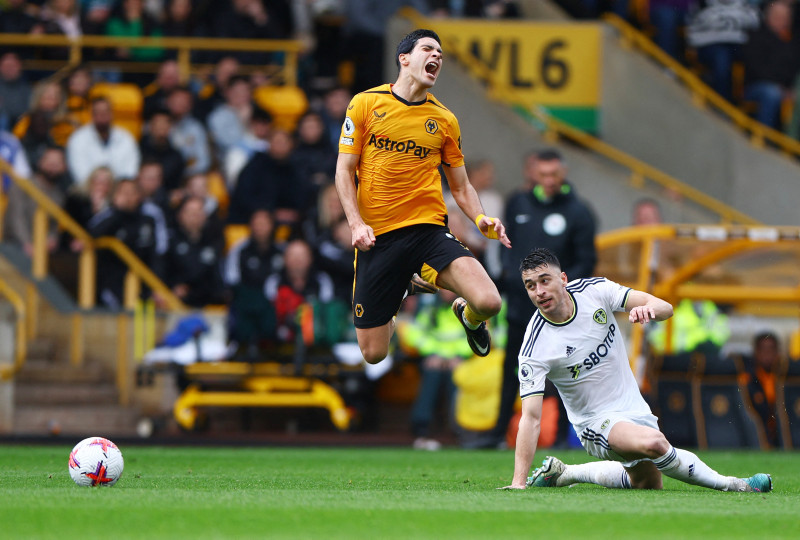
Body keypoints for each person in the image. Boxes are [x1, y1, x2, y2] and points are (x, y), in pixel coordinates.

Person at [502, 248, 772, 493]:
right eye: (530, 286)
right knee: (655, 443)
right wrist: (518, 482)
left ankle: (565, 473)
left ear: (562, 278)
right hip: (595, 423)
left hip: (634, 408)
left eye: (544, 281)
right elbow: (531, 418)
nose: (539, 291)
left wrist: (648, 311)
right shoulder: (535, 344)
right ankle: (736, 485)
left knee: (646, 484)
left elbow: (665, 307)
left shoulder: (595, 290)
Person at [335, 29, 511, 366]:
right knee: (374, 353)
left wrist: (480, 218)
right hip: (378, 238)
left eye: (440, 54)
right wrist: (356, 224)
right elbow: (343, 172)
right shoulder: (366, 103)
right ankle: (402, 287)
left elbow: (460, 186)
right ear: (404, 58)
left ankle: (467, 315)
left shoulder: (444, 120)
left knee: (489, 302)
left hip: (427, 232)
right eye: (428, 49)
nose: (437, 57)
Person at [493, 148, 597, 447]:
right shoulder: (518, 202)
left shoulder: (579, 211)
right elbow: (506, 245)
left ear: (562, 174)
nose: (548, 180)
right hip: (519, 307)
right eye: (543, 174)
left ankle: (567, 437)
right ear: (533, 173)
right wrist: (512, 277)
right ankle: (497, 434)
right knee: (512, 369)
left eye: (553, 174)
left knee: (566, 371)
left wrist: (554, 289)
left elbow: (586, 261)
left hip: (560, 312)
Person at [66, 97, 141, 186]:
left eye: (105, 111)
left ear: (112, 113)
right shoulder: (78, 139)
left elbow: (130, 171)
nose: (102, 115)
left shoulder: (126, 138)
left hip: (119, 193)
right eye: (98, 112)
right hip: (87, 192)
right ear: (92, 115)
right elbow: (80, 173)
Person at [740, 331, 782, 448]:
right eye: (763, 350)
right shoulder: (747, 379)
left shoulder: (783, 378)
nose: (767, 354)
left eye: (771, 349)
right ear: (756, 352)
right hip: (756, 438)